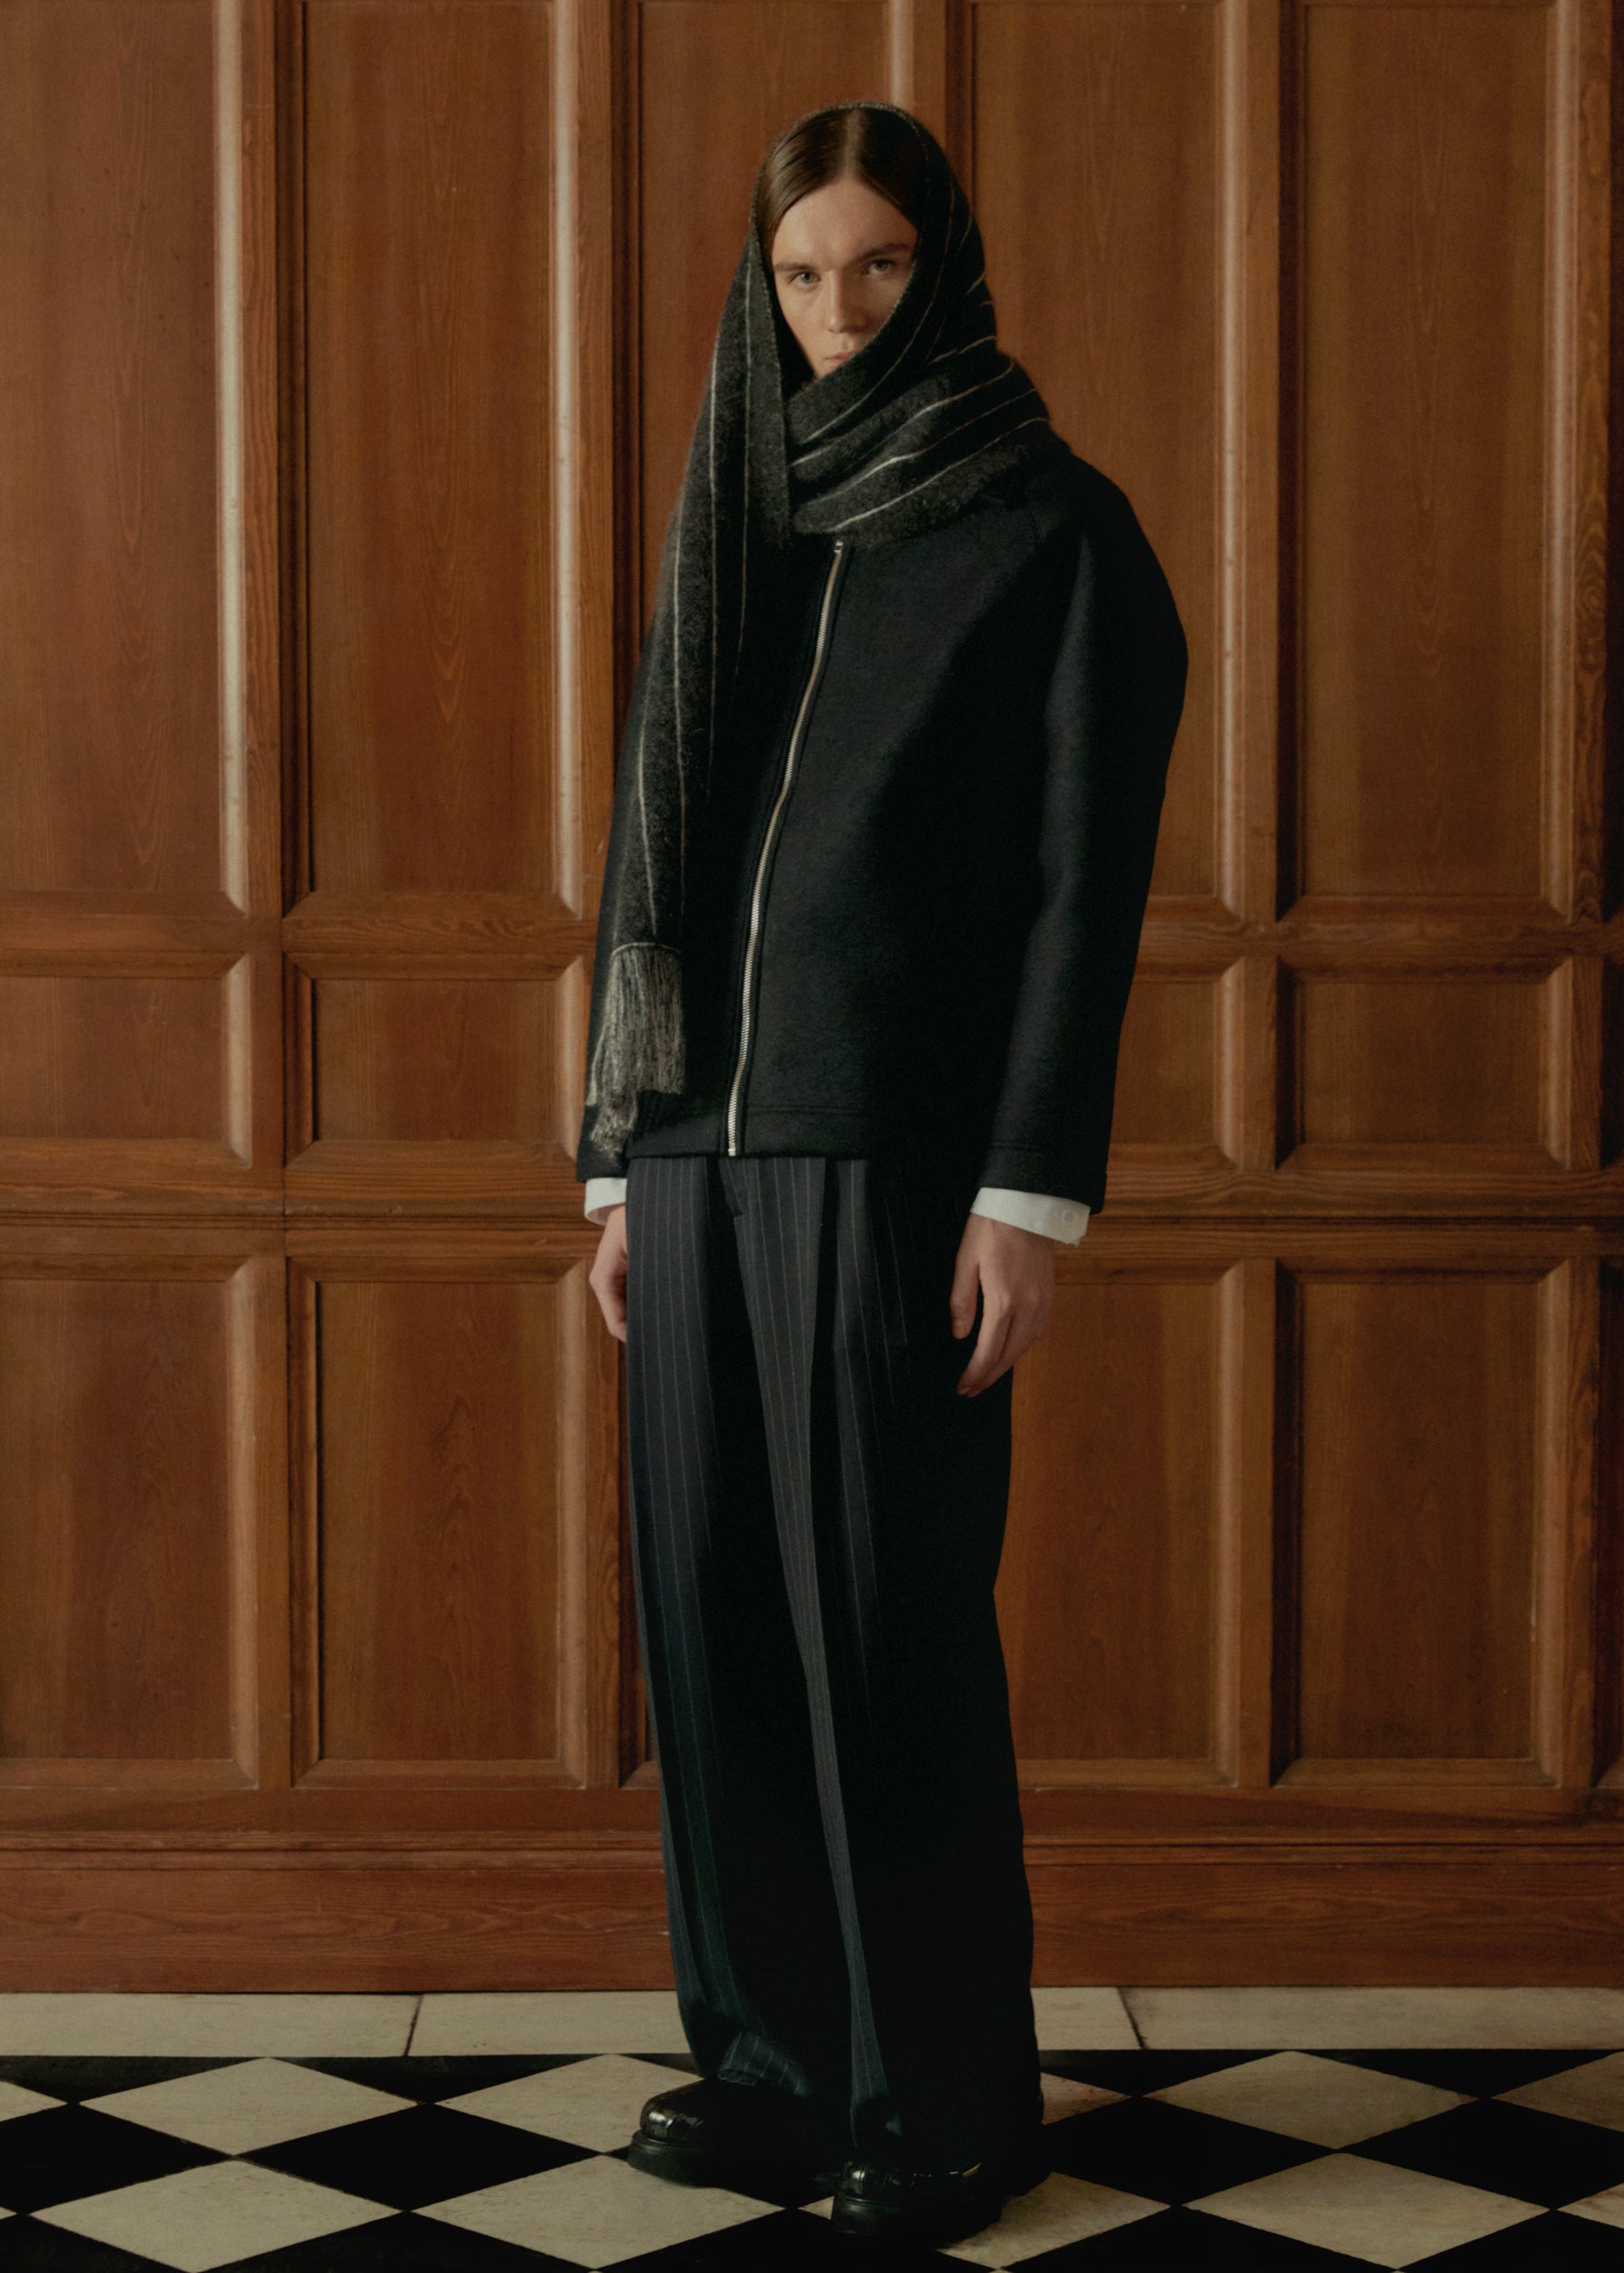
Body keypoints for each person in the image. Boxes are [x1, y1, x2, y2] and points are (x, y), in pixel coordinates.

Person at [576, 99, 1187, 2249]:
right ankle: (772, 2060)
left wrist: (1028, 1192)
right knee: (717, 1618)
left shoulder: (1052, 532)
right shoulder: (742, 514)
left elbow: (1079, 895)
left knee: (880, 1623)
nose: (833, 309)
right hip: (692, 1153)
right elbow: (654, 850)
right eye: (798, 272)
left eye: (875, 266)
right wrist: (614, 1161)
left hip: (898, 1164)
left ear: (945, 272)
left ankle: (942, 2092)